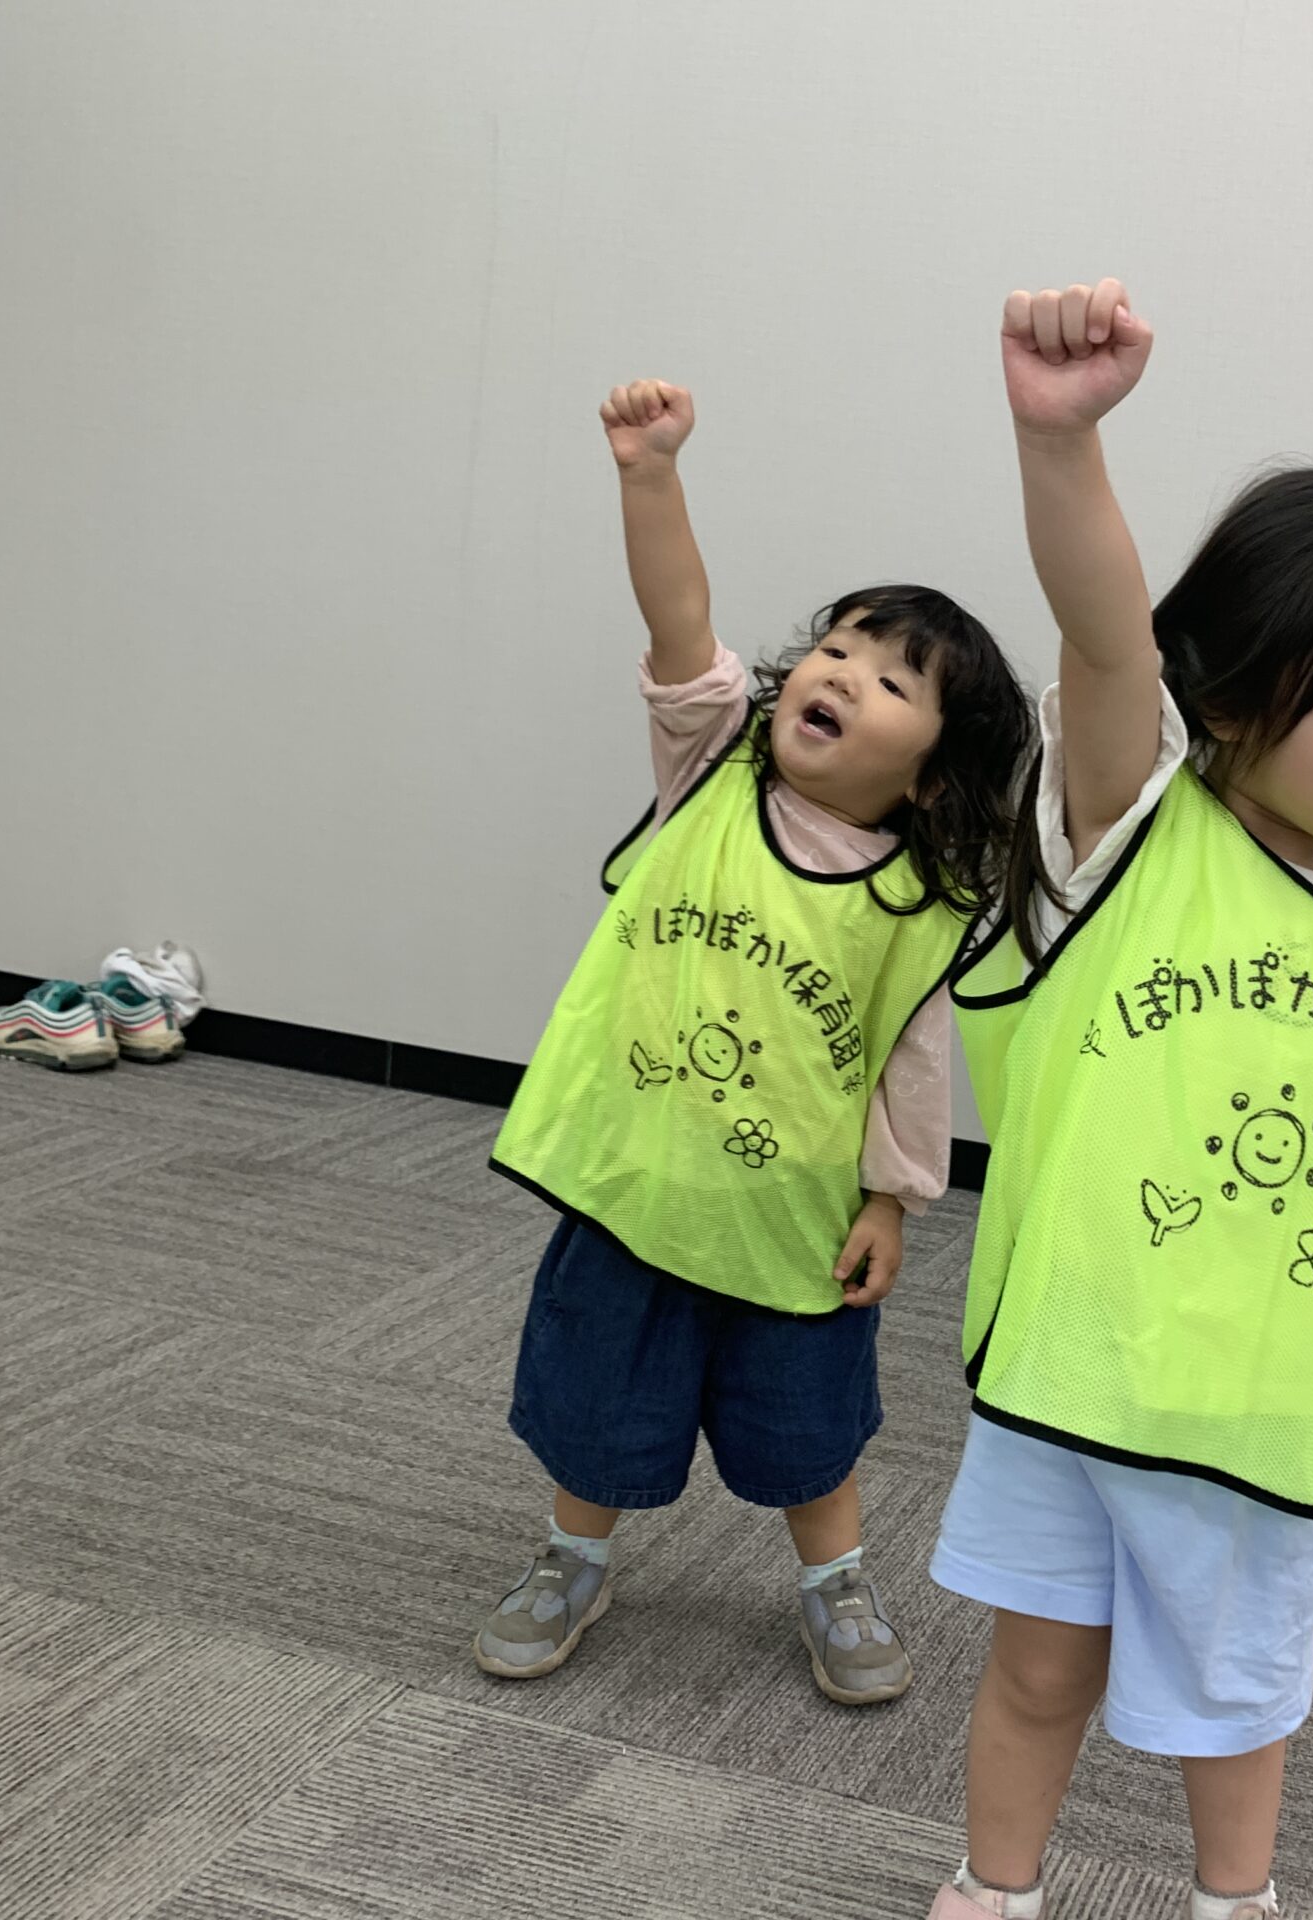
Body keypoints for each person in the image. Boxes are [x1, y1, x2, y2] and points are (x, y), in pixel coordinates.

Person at [926, 280, 1313, 1920]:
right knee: (1039, 1672)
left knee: (1236, 1713)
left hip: (1255, 1412)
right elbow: (1109, 634)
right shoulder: (1130, 832)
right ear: (1237, 691)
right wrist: (1062, 441)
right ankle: (992, 1892)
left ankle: (1233, 1904)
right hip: (1071, 1372)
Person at [472, 377, 1032, 1706]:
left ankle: (835, 1582)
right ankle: (570, 1558)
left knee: (805, 1430)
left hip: (792, 1216)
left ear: (931, 774)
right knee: (598, 1404)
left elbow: (909, 1060)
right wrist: (649, 474)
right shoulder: (711, 767)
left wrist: (893, 1202)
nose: (840, 674)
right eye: (836, 649)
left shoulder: (916, 899)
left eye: (890, 680)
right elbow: (679, 621)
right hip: (635, 1179)